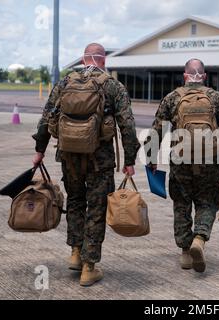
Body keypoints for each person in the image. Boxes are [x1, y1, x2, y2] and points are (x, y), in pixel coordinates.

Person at [31, 43, 140, 286]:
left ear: (83, 58)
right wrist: (130, 160)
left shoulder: (65, 82)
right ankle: (89, 267)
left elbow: (47, 116)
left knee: (76, 202)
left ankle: (75, 252)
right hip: (99, 159)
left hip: (69, 156)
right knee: (97, 208)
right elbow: (127, 126)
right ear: (103, 60)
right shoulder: (112, 85)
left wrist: (39, 150)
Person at [144, 58, 219, 273]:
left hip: (180, 161)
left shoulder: (172, 97)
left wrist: (151, 159)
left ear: (185, 75)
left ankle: (186, 252)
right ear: (204, 76)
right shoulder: (215, 97)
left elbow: (157, 130)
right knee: (207, 202)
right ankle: (200, 237)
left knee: (182, 204)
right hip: (209, 161)